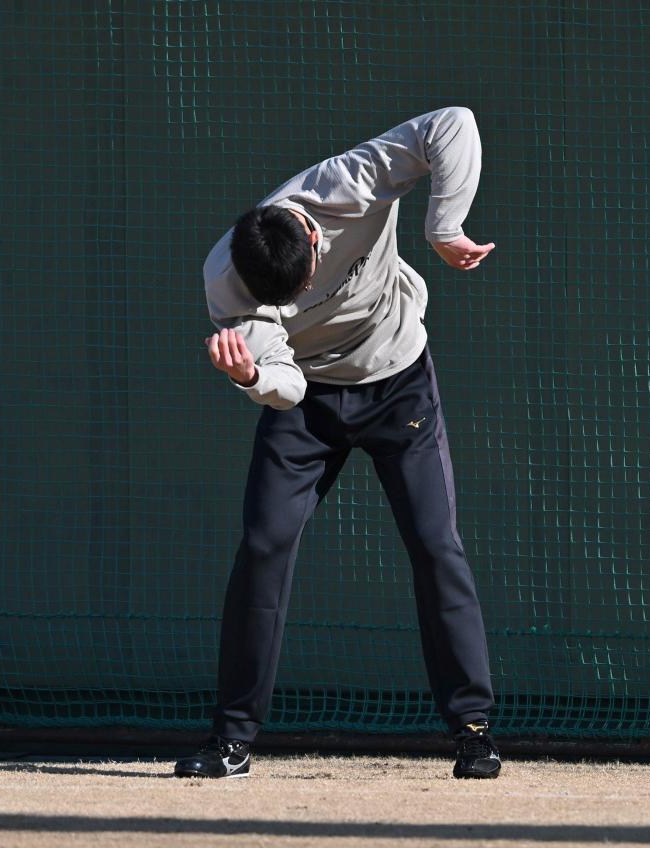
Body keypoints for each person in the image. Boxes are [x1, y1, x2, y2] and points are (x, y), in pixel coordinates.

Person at [174, 107, 501, 780]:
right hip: (306, 401)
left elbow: (452, 123)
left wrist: (443, 226)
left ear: (315, 243)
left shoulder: (348, 184)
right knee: (263, 545)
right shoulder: (227, 280)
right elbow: (286, 388)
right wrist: (252, 374)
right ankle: (230, 740)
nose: (289, 308)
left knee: (436, 547)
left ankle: (472, 732)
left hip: (399, 385)